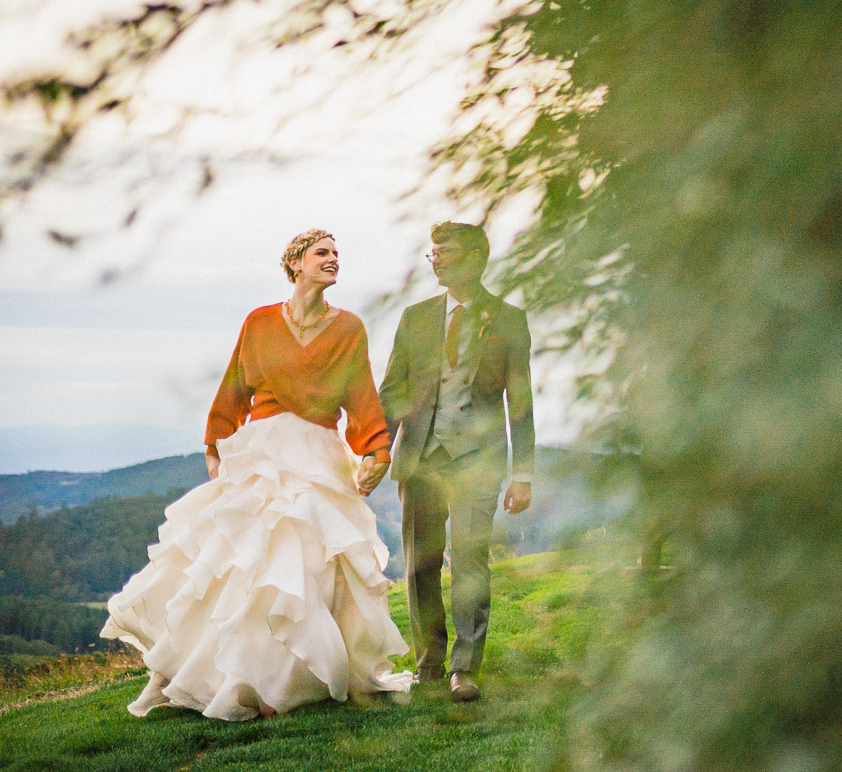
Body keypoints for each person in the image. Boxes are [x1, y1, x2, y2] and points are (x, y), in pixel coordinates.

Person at [102, 229, 414, 719]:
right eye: (322, 253)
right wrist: (215, 443)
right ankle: (207, 676)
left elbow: (361, 395)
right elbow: (234, 386)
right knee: (234, 563)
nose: (333, 259)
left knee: (304, 565)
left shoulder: (349, 328)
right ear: (296, 263)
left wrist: (376, 450)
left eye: (336, 253)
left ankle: (285, 682)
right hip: (261, 450)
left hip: (317, 454)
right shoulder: (260, 322)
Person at [379, 221, 533, 702]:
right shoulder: (416, 318)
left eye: (445, 252)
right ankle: (429, 664)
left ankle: (464, 669)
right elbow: (393, 391)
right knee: (419, 566)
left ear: (474, 258)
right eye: (433, 253)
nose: (437, 261)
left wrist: (523, 474)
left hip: (478, 459)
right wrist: (376, 450)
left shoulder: (509, 320)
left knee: (469, 562)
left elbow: (520, 402)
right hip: (420, 457)